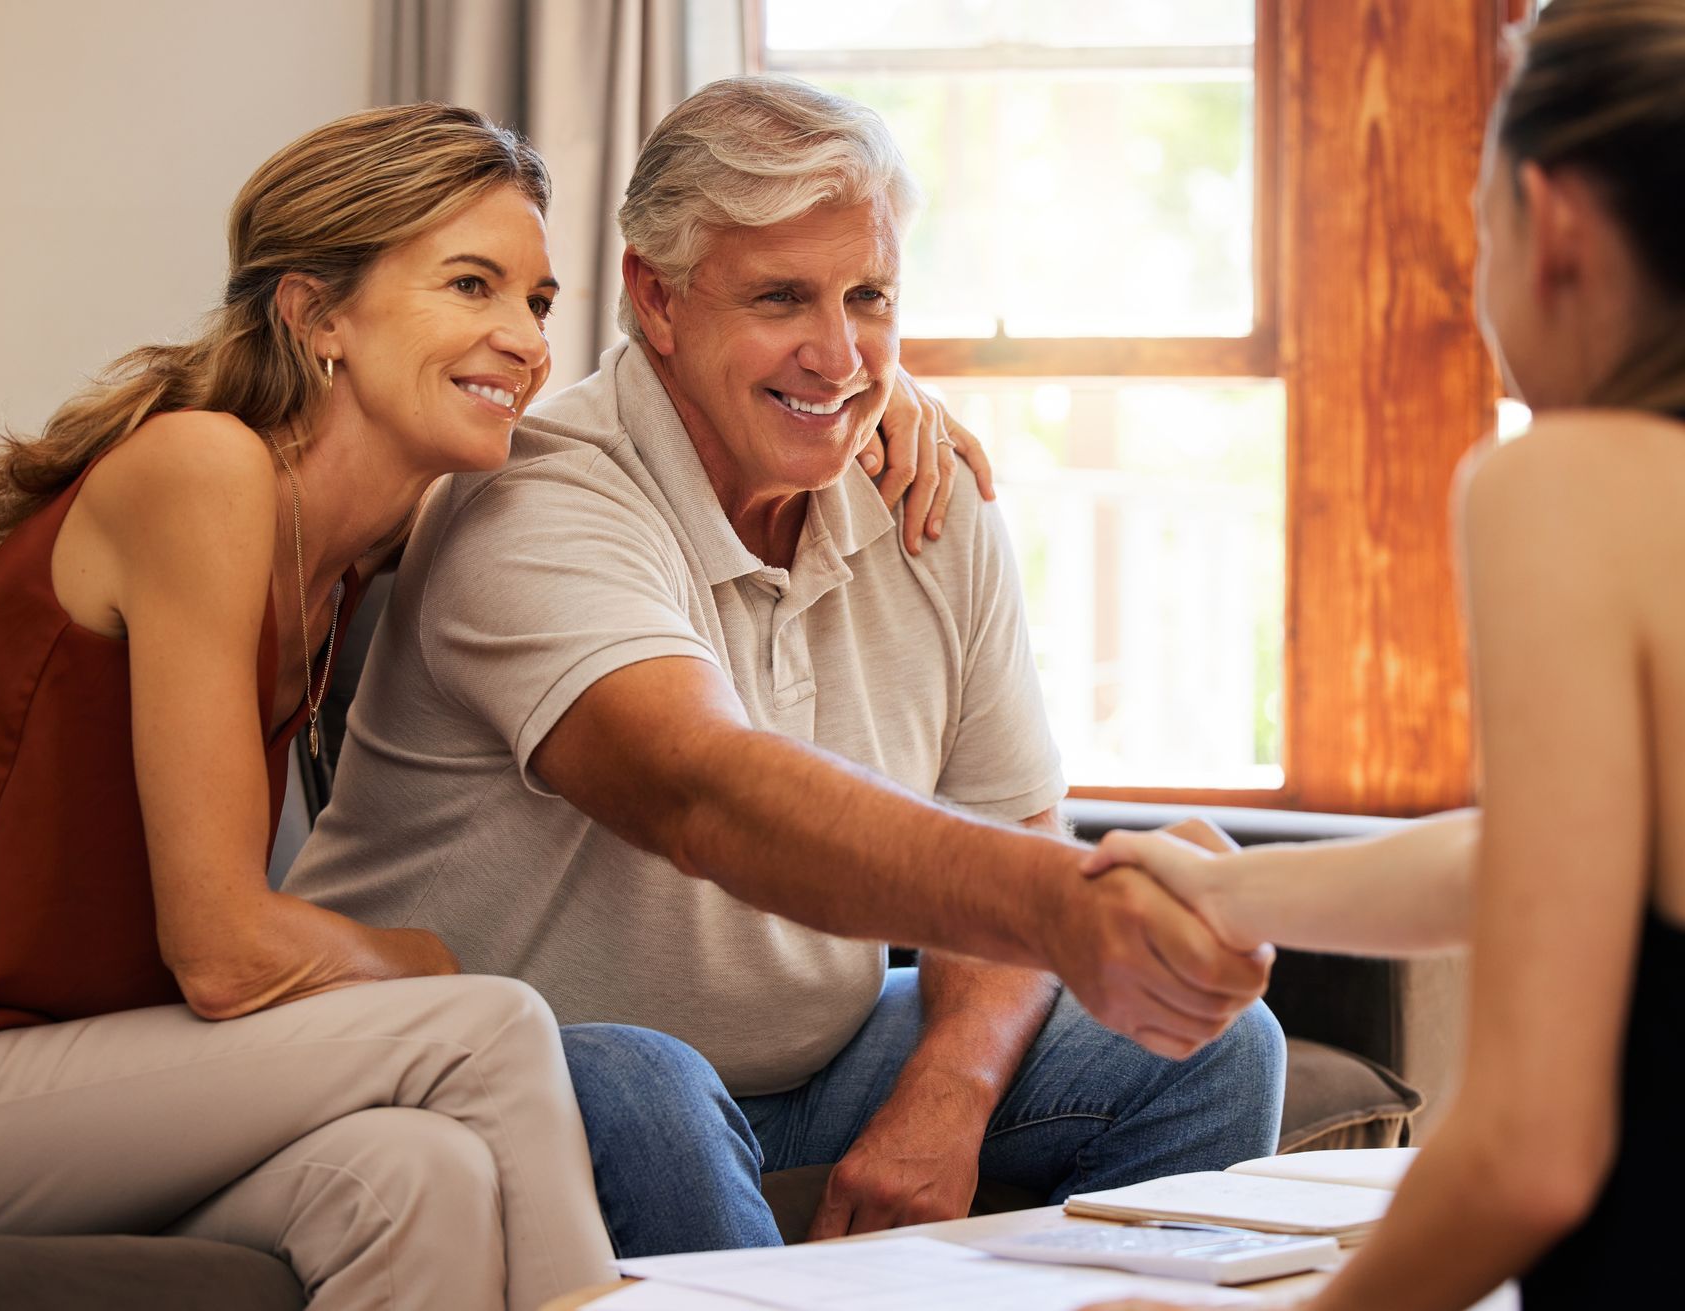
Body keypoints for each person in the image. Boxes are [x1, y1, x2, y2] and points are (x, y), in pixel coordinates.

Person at [0, 101, 982, 1308]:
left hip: (75, 1081)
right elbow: (227, 953)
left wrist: (880, 404)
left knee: (415, 1175)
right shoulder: (203, 470)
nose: (521, 339)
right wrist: (432, 963)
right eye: (469, 285)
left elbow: (717, 410)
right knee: (495, 1026)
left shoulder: (360, 547)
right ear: (315, 313)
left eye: (537, 302)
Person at [284, 75, 1287, 1260]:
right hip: (521, 1055)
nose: (840, 355)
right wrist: (1066, 903)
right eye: (780, 298)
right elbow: (700, 792)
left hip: (814, 1059)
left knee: (1211, 1043)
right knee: (641, 1086)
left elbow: (1005, 808)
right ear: (654, 300)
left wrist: (951, 1086)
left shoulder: (927, 491)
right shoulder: (539, 494)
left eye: (868, 296)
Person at [1080, 1, 1685, 1306]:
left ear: (1556, 221)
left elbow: (1530, 1151)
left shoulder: (1572, 482)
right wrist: (1239, 896)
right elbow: (1550, 851)